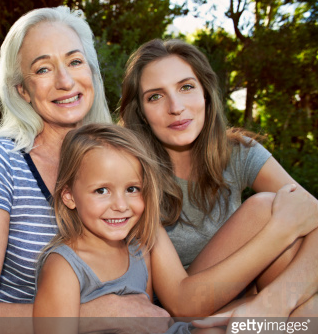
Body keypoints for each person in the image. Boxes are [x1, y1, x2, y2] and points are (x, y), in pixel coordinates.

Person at [0, 6, 170, 331]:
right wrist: (95, 313)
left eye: (75, 61)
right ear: (22, 90)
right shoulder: (1, 159)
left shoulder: (122, 156)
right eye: (42, 69)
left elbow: (140, 295)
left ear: (92, 72)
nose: (65, 81)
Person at [32, 123, 314, 334]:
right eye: (102, 190)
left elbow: (159, 317)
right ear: (68, 196)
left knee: (298, 316)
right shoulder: (64, 265)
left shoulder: (138, 245)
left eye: (132, 189)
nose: (120, 205)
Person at [119, 38, 318, 316]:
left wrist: (277, 300)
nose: (175, 107)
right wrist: (281, 230)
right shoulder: (131, 175)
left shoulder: (239, 153)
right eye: (156, 96)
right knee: (267, 209)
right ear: (140, 112)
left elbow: (311, 212)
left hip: (253, 305)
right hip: (185, 308)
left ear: (206, 94)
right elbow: (181, 305)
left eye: (186, 87)